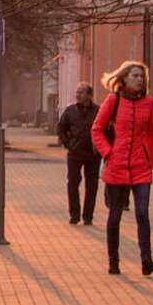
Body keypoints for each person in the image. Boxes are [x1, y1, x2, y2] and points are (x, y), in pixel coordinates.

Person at [91, 61, 153, 276]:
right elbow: (97, 129)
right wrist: (108, 152)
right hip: (117, 166)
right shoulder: (113, 101)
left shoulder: (148, 104)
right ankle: (114, 262)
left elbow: (151, 135)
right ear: (123, 79)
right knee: (115, 217)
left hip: (141, 167)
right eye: (135, 75)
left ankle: (146, 262)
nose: (139, 79)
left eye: (142, 76)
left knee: (142, 214)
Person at [57, 83, 102, 225]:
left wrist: (102, 147)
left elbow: (107, 129)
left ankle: (88, 216)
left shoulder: (99, 111)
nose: (77, 95)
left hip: (93, 154)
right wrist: (68, 143)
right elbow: (61, 128)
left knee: (92, 185)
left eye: (81, 92)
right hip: (74, 153)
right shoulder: (70, 111)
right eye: (77, 92)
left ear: (89, 95)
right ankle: (74, 215)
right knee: (73, 183)